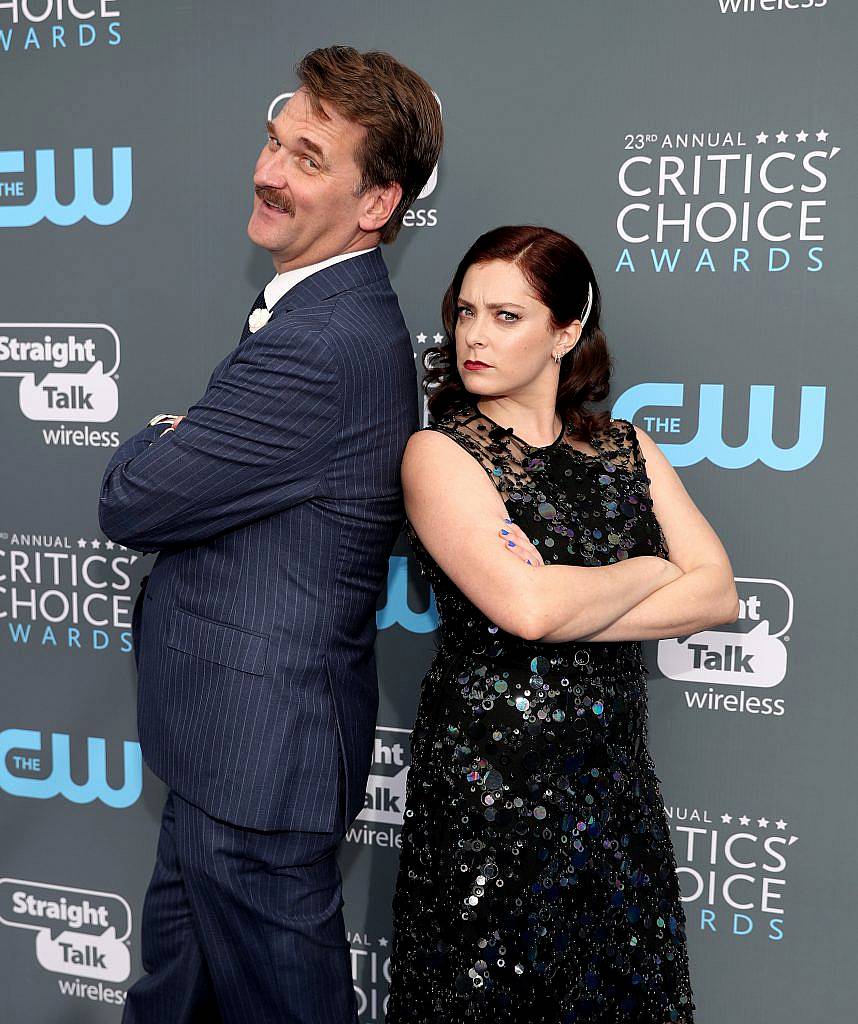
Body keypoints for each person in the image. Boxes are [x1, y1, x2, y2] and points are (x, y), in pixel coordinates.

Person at [98, 45, 442, 1024]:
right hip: (226, 757)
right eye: (273, 138)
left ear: (376, 204)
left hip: (258, 769)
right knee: (171, 998)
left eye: (308, 157)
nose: (269, 169)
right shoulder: (316, 310)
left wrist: (154, 436)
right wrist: (177, 441)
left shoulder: (322, 342)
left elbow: (133, 500)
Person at [385, 225, 739, 1023]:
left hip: (612, 799)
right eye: (465, 312)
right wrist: (650, 571)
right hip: (486, 801)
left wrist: (572, 593)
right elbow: (529, 610)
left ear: (566, 331)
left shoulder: (627, 448)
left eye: (506, 316)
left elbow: (718, 595)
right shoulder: (441, 455)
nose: (473, 335)